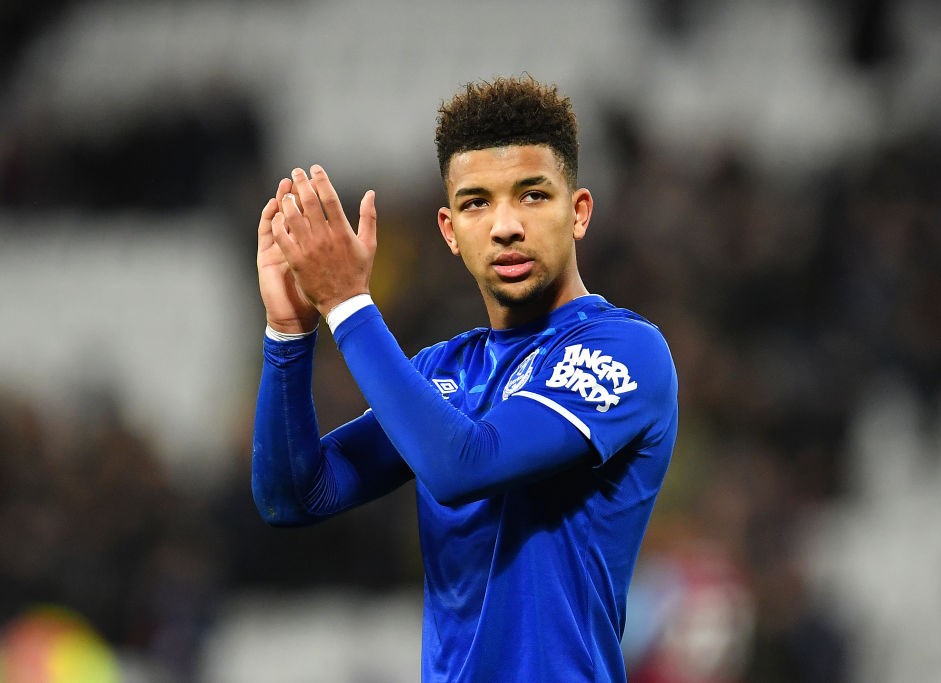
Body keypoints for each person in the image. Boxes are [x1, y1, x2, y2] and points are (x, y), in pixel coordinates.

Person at [252, 75, 678, 682]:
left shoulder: (627, 350)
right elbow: (294, 497)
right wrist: (289, 337)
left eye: (533, 195)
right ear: (451, 231)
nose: (505, 226)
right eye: (477, 202)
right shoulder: (443, 372)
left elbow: (465, 468)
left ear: (578, 212)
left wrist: (347, 304)